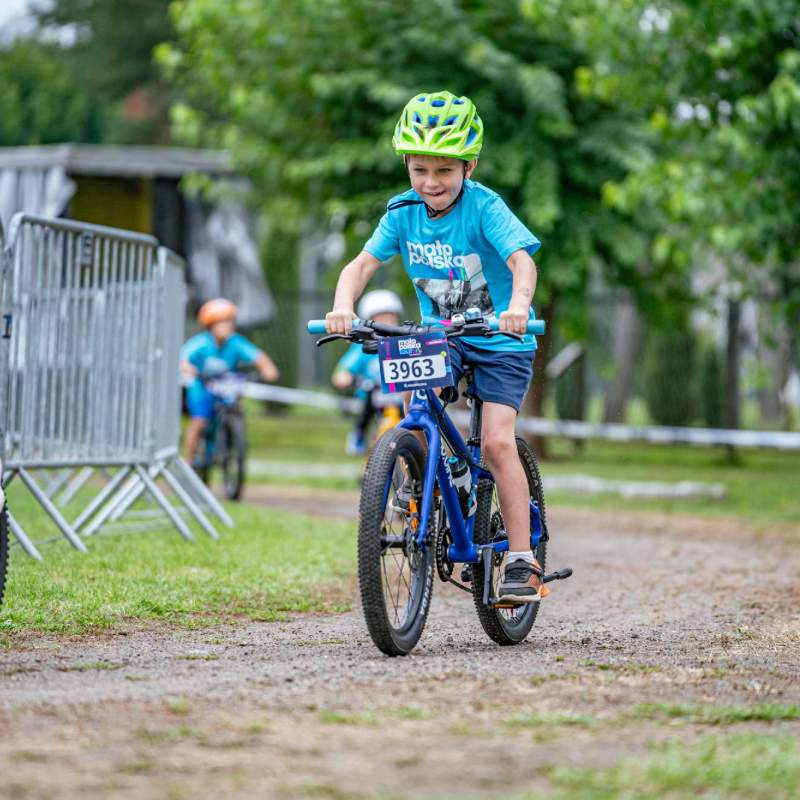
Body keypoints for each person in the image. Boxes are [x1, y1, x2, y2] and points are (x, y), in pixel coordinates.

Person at [325, 90, 546, 604]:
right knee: (414, 403)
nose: (431, 182)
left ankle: (520, 558)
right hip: (441, 335)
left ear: (469, 164)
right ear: (406, 163)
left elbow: (522, 262)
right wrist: (342, 304)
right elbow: (360, 266)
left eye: (444, 170)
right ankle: (422, 477)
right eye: (419, 168)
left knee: (495, 441)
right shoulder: (402, 213)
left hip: (500, 338)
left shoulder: (485, 207)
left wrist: (518, 306)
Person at [181, 298, 279, 466]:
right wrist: (190, 370)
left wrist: (268, 370)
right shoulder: (201, 343)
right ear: (210, 325)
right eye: (222, 322)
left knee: (235, 409)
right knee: (199, 421)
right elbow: (182, 359)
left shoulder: (235, 342)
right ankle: (188, 462)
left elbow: (259, 358)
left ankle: (233, 441)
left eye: (230, 321)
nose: (228, 325)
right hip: (202, 387)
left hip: (226, 387)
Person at [332, 289, 405, 455]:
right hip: (374, 395)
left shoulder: (402, 343)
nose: (387, 321)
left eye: (391, 316)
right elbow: (346, 367)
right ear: (369, 320)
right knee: (365, 410)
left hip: (399, 395)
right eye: (381, 317)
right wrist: (344, 376)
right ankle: (359, 434)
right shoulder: (363, 347)